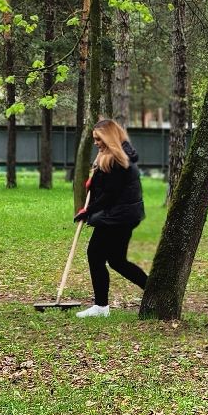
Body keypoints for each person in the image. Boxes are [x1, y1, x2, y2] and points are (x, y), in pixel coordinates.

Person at [72, 119, 147, 318]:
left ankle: (101, 307)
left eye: (99, 138)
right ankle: (153, 290)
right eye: (94, 139)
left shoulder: (116, 159)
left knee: (95, 254)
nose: (96, 142)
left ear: (109, 137)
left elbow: (110, 195)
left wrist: (88, 212)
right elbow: (104, 189)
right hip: (124, 215)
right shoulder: (116, 154)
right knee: (116, 260)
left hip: (118, 216)